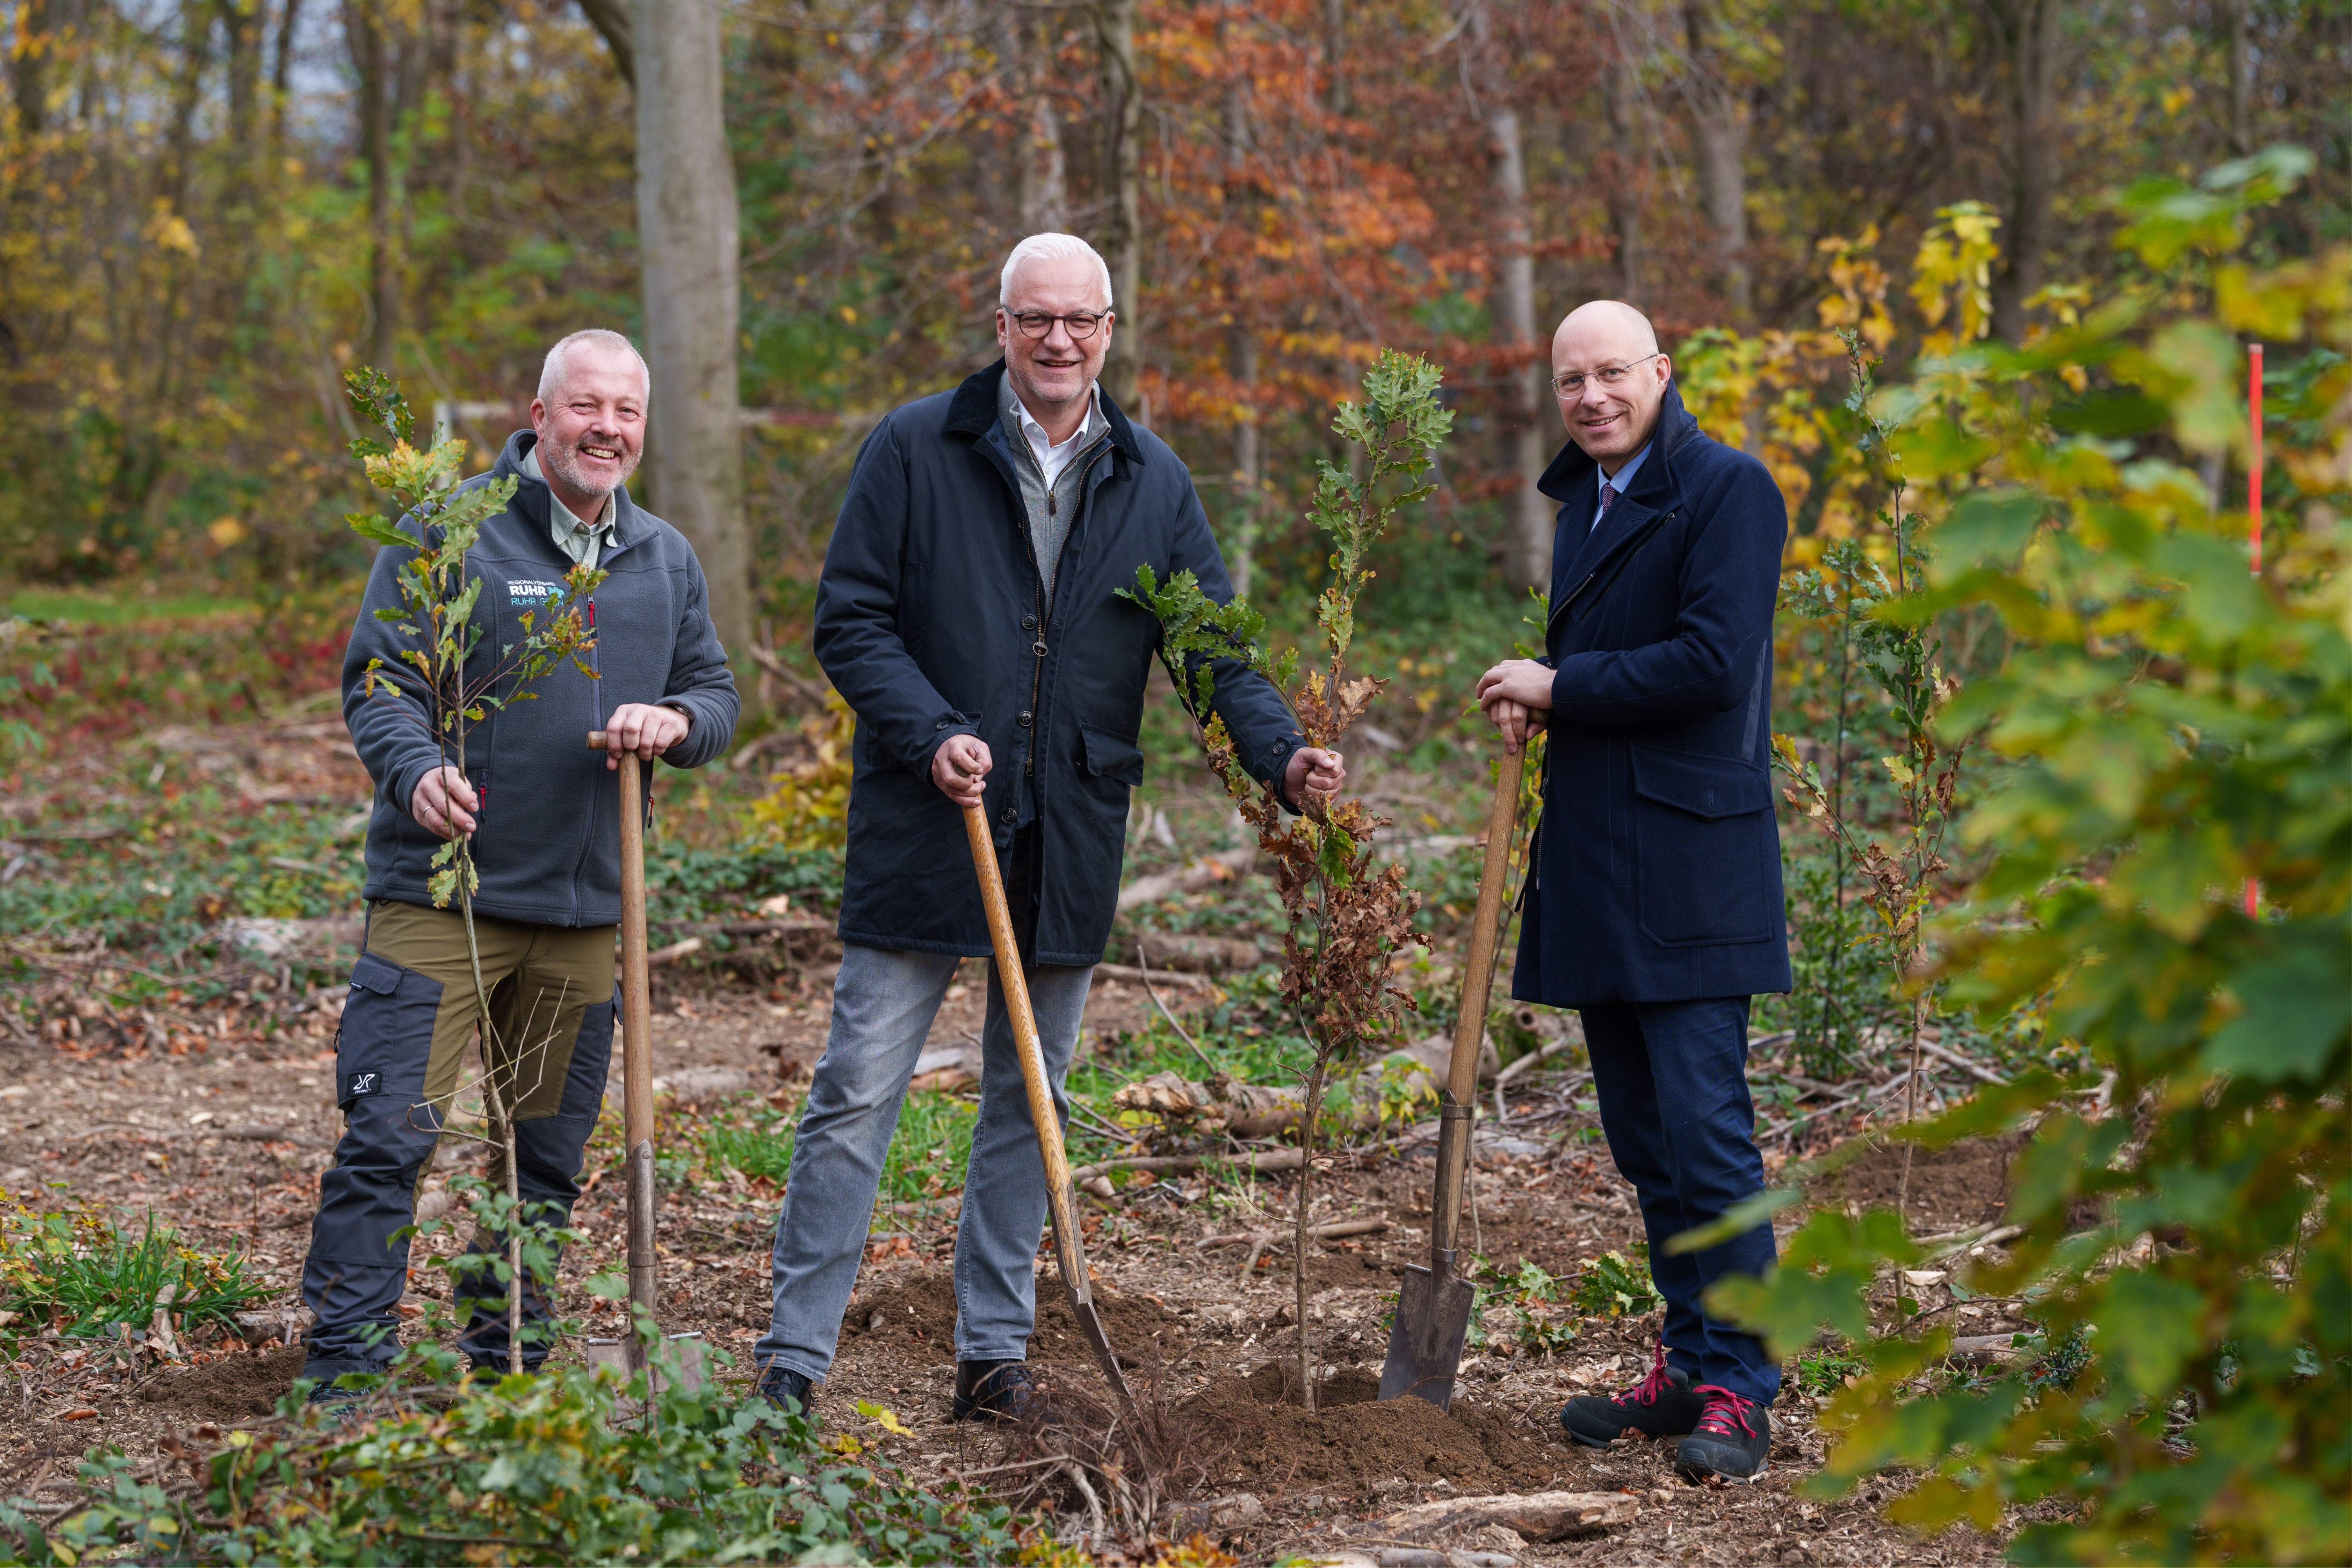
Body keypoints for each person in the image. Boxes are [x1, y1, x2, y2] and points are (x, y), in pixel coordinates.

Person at [753, 233, 1344, 1423]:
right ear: (1003, 327)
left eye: (1081, 321)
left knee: (1033, 1095)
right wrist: (931, 731)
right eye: (1037, 321)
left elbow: (1207, 645)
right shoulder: (917, 448)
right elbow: (851, 619)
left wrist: (1282, 754)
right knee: (859, 1090)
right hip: (933, 817)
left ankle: (992, 1357)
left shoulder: (1153, 478)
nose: (1060, 341)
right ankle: (792, 1360)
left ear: (1111, 330)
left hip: (1070, 821)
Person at [301, 328, 740, 1397]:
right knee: (389, 1140)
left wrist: (677, 721)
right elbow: (381, 681)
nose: (608, 428)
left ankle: (508, 1371)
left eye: (627, 411)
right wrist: (413, 773)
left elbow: (718, 695)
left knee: (541, 1167)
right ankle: (343, 1379)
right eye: (585, 406)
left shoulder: (663, 558)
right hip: (443, 898)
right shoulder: (450, 537)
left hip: (590, 914)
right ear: (538, 416)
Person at [1475, 300, 1789, 1483]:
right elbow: (1600, 676)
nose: (1593, 397)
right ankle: (1689, 1356)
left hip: (1694, 873)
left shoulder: (1728, 489)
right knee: (1648, 1144)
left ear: (1662, 371)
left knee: (1708, 1139)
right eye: (1571, 382)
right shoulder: (1588, 502)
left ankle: (1744, 1389)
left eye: (1614, 374)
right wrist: (1545, 694)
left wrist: (1560, 680)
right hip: (1606, 869)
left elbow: (1713, 664)